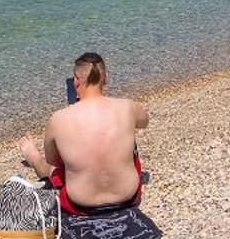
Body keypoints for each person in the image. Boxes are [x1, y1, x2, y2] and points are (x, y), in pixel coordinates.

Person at [20, 52, 149, 215]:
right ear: (106, 78)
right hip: (127, 198)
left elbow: (54, 163)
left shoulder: (58, 119)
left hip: (81, 205)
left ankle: (33, 158)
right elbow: (144, 122)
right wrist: (136, 112)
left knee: (55, 169)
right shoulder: (128, 107)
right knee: (130, 144)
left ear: (76, 82)